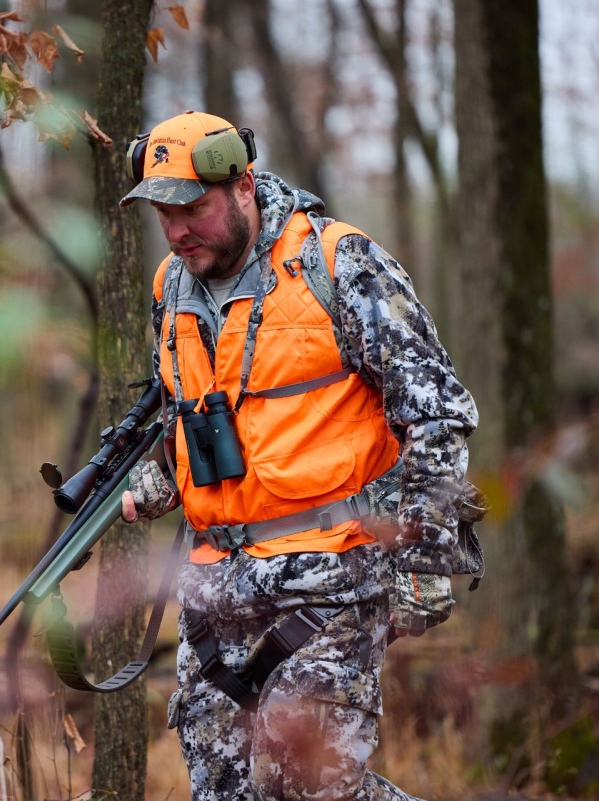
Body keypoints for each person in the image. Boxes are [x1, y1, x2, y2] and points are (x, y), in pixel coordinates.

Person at [117, 110, 479, 801]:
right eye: (163, 213)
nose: (177, 230)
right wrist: (157, 480)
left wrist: (424, 559)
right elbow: (189, 418)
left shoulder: (338, 263)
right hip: (214, 596)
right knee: (223, 792)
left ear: (244, 185)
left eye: (192, 208)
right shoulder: (170, 287)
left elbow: (437, 415)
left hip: (332, 583)